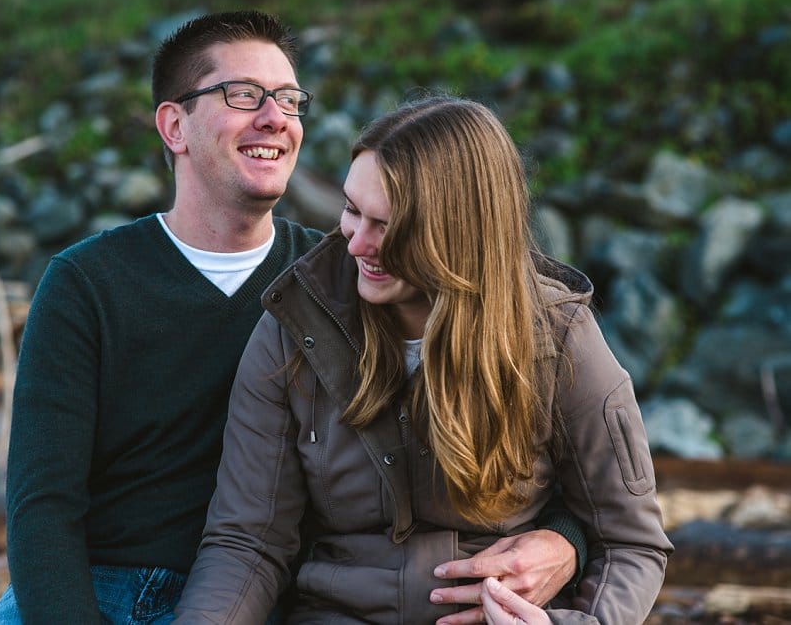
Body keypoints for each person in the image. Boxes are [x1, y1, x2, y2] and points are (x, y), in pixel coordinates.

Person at [0, 12, 584, 625]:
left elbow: (488, 457)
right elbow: (42, 506)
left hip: (261, 599)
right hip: (94, 589)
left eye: (290, 100)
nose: (275, 117)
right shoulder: (87, 282)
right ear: (174, 126)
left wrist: (568, 540)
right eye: (243, 95)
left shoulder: (345, 281)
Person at [172, 95, 673, 624]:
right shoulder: (293, 328)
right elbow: (248, 544)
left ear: (457, 234)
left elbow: (629, 543)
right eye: (350, 210)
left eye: (387, 226)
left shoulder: (558, 335)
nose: (357, 243)